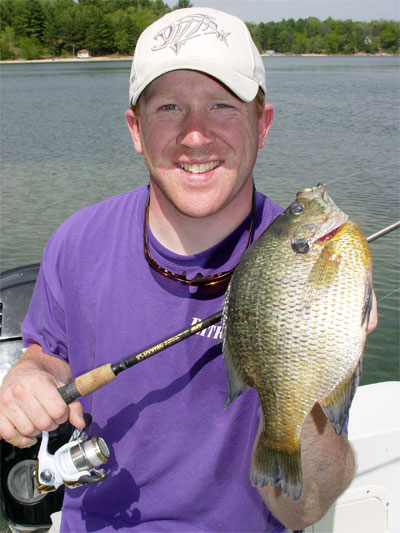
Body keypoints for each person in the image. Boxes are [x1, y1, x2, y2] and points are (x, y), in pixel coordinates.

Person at [0, 7, 377, 533]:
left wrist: (325, 343)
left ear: (262, 124)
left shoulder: (304, 256)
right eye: (169, 107)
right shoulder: (76, 241)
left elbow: (304, 510)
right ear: (136, 128)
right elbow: (49, 353)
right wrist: (30, 373)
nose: (195, 135)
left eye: (222, 105)